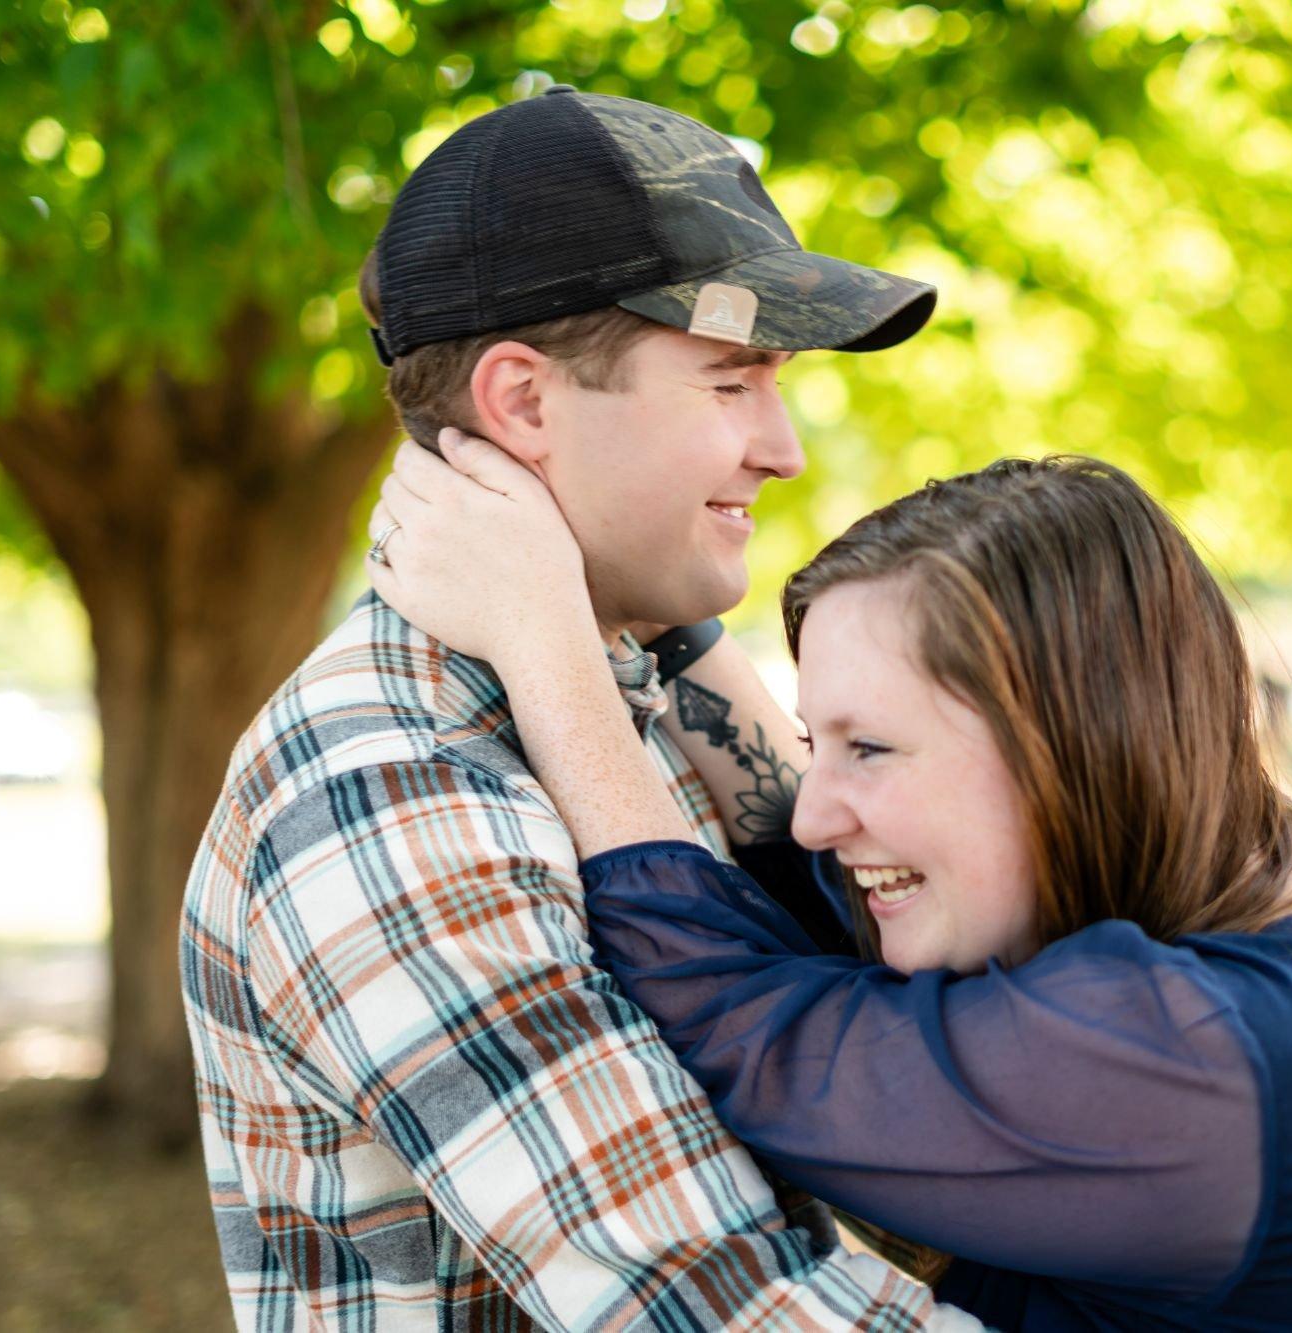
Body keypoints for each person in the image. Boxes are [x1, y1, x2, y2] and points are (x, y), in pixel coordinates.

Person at [366, 442, 1292, 1331]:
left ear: (1064, 745)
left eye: (870, 747)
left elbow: (743, 1021)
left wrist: (542, 633)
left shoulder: (1214, 1053)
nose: (814, 802)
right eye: (821, 736)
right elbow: (805, 886)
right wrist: (650, 600)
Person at [179, 86, 985, 1331]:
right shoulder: (386, 786)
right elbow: (718, 1306)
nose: (785, 449)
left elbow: (894, 1044)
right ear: (522, 403)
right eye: (730, 382)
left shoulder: (629, 682)